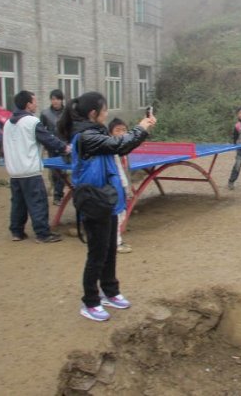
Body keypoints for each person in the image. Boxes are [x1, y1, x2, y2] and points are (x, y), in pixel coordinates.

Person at [58, 92, 156, 322]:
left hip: (107, 199)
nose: (107, 113)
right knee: (97, 254)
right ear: (94, 113)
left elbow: (120, 147)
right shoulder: (85, 137)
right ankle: (90, 302)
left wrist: (141, 129)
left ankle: (110, 291)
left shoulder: (96, 132)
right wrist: (142, 127)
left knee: (109, 249)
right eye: (104, 109)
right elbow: (120, 144)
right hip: (94, 202)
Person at [3, 90, 71, 243]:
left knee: (18, 203)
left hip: (14, 171)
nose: (36, 104)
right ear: (28, 104)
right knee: (38, 202)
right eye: (34, 101)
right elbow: (48, 139)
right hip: (30, 171)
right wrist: (65, 148)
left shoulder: (8, 123)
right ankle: (43, 234)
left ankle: (17, 232)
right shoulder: (31, 122)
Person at [108, 118, 133, 254]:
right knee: (117, 214)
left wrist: (128, 188)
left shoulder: (124, 151)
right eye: (117, 130)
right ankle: (116, 243)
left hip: (122, 185)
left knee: (121, 213)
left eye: (124, 130)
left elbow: (126, 171)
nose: (121, 133)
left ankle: (115, 241)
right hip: (115, 186)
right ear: (110, 133)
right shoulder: (110, 149)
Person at [40, 89, 66, 205]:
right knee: (55, 171)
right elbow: (41, 130)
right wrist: (45, 143)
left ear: (61, 100)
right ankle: (57, 194)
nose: (55, 101)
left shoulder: (67, 113)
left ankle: (59, 194)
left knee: (63, 171)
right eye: (53, 99)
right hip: (52, 146)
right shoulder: (45, 113)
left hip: (64, 146)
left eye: (57, 99)